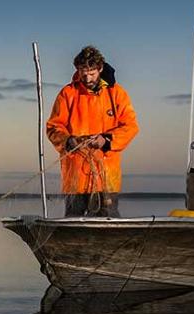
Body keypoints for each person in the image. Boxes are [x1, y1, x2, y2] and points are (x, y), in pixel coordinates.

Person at [46, 45, 139, 217]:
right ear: (77, 70)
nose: (87, 77)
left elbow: (131, 126)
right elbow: (53, 127)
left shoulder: (117, 93)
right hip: (75, 177)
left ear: (100, 68)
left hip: (106, 179)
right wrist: (69, 140)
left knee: (108, 225)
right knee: (73, 227)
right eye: (83, 71)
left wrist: (106, 140)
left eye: (92, 72)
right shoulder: (68, 93)